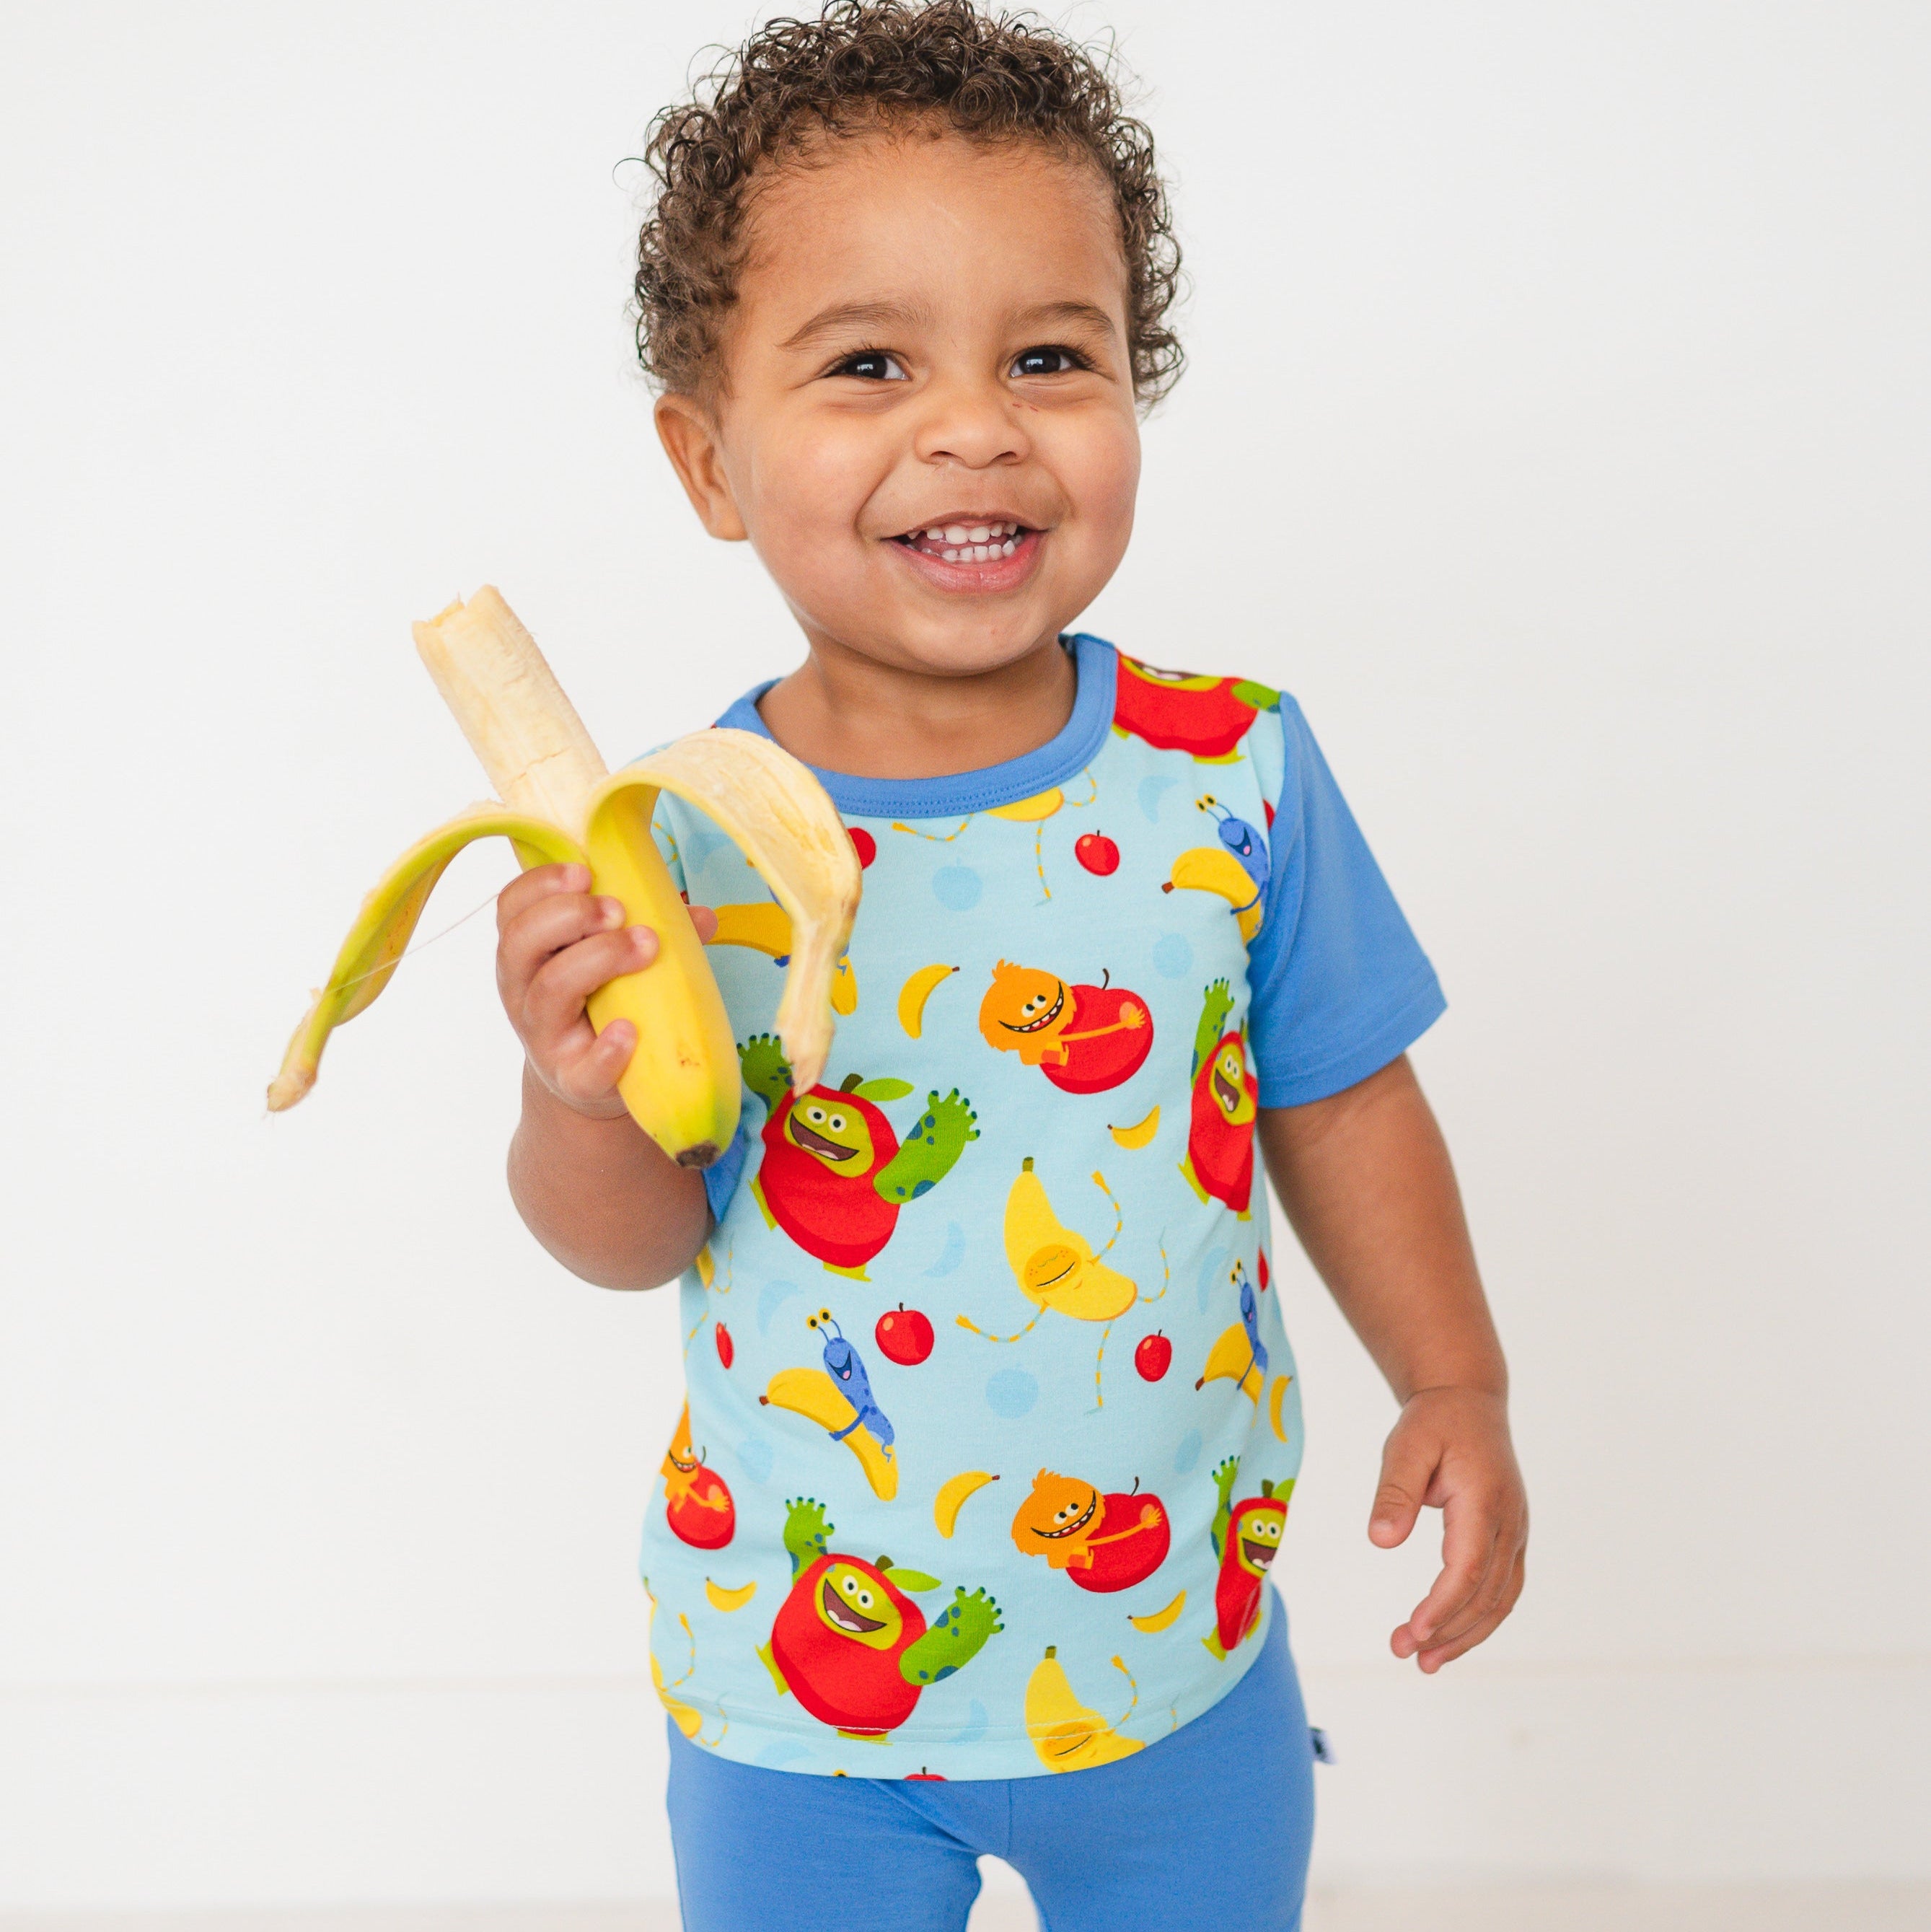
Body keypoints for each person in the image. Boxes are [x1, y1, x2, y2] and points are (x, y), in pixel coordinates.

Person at [493, 6, 1527, 1927]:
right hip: (796, 1692)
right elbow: (632, 1236)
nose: (976, 423)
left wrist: (1456, 1381)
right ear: (705, 460)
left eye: (1052, 358)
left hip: (1175, 1663)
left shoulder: (1240, 775)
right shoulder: (682, 846)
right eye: (868, 363)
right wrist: (574, 1092)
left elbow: (1342, 1094)